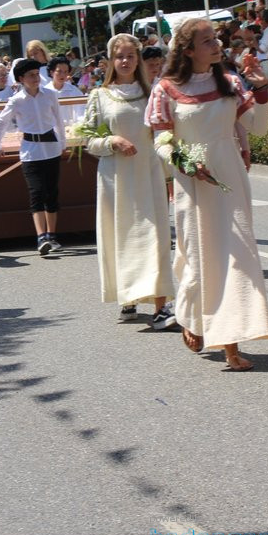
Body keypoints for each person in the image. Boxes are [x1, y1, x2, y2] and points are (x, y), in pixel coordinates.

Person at [145, 18, 268, 371]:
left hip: (229, 178)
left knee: (236, 257)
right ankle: (191, 315)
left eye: (215, 39)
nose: (216, 45)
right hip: (193, 182)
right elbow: (160, 140)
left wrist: (261, 89)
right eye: (206, 41)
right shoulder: (166, 89)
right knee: (198, 255)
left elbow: (257, 127)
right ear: (187, 51)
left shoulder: (230, 82)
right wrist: (182, 161)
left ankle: (230, 342)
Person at [80, 34, 175, 327]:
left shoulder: (153, 93)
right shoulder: (100, 95)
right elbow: (87, 139)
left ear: (138, 59)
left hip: (149, 173)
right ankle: (128, 298)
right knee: (121, 238)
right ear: (110, 60)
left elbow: (165, 133)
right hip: (116, 179)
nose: (125, 61)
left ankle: (161, 307)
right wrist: (112, 141)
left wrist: (171, 173)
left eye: (130, 56)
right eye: (119, 56)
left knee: (155, 237)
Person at [0, 57, 66, 255]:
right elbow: (1, 121)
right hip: (30, 151)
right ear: (21, 79)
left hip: (51, 149)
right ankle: (41, 237)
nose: (36, 78)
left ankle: (52, 235)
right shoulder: (16, 100)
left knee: (52, 193)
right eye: (31, 76)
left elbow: (59, 119)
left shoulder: (49, 94)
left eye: (37, 74)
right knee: (36, 192)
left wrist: (63, 144)